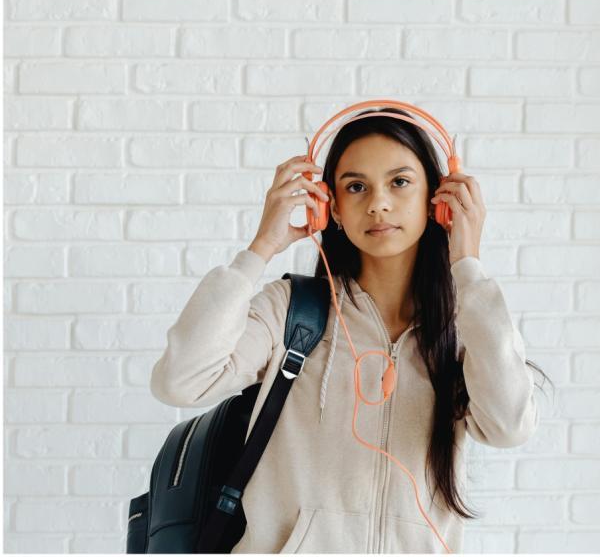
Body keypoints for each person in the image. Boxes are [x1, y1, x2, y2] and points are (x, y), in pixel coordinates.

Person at [150, 107, 553, 553]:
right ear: (332, 210)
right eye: (356, 186)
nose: (378, 202)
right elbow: (180, 381)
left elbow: (509, 427)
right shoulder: (293, 312)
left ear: (435, 202)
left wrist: (468, 266)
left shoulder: (466, 327)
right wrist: (262, 247)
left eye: (399, 182)